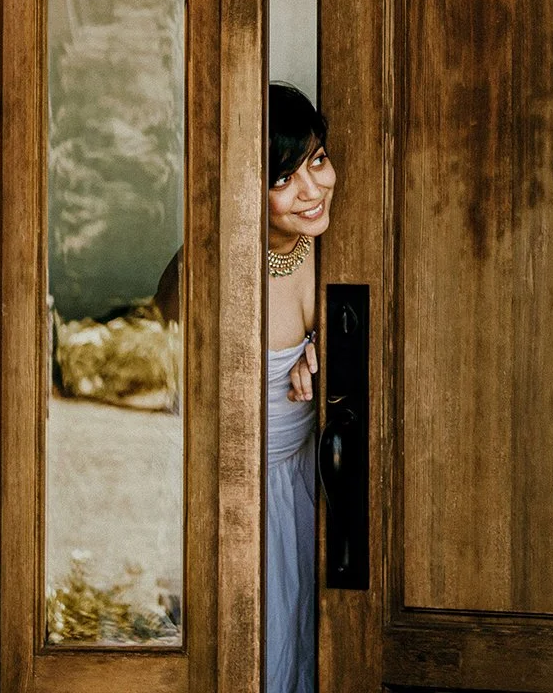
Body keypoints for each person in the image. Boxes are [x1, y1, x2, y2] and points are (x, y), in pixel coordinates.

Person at [265, 84, 335, 693]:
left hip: (309, 474)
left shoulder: (331, 242)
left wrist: (322, 348)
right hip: (245, 495)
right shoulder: (211, 271)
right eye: (285, 178)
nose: (312, 190)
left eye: (316, 160)